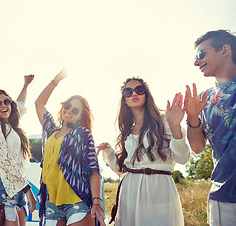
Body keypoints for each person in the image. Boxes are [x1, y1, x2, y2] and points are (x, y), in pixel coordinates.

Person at [97, 77, 190, 226]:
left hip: (160, 188)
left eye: (139, 90)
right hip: (130, 191)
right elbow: (122, 170)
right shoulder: (127, 131)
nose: (134, 93)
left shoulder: (165, 121)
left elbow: (182, 158)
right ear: (124, 100)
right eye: (128, 92)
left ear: (146, 95)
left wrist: (175, 126)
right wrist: (109, 152)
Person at [34, 69, 105, 226]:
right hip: (52, 202)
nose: (69, 111)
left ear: (80, 116)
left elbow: (93, 170)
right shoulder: (51, 131)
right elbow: (39, 103)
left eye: (75, 110)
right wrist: (55, 81)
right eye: (67, 105)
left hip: (77, 200)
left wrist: (97, 202)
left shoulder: (83, 134)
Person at [184, 30, 236, 225]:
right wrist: (192, 116)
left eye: (201, 54)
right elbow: (197, 147)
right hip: (222, 197)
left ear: (225, 51)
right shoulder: (203, 99)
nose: (196, 62)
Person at [0, 75, 37, 226]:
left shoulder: (13, 127)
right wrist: (28, 190)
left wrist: (25, 85)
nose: (3, 105)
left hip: (18, 188)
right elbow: (4, 160)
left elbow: (20, 105)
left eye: (6, 101)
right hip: (3, 187)